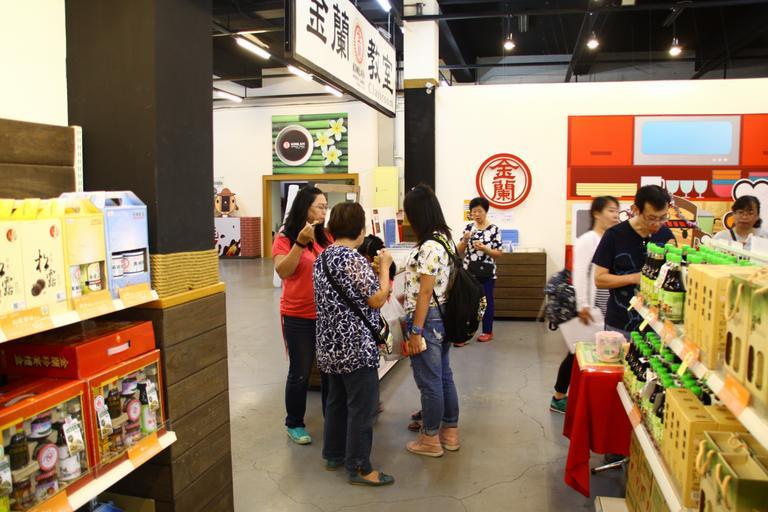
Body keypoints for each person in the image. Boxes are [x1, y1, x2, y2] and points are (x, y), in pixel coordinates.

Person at [313, 202, 395, 486]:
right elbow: (376, 299)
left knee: (336, 402)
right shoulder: (353, 259)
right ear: (360, 229)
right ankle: (360, 468)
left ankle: (333, 453)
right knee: (363, 407)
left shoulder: (322, 258)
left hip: (329, 346)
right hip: (356, 347)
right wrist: (384, 268)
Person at [402, 184, 460, 457]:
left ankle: (430, 439)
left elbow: (425, 292)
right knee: (443, 376)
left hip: (427, 320)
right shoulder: (445, 239)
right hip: (443, 315)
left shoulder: (429, 246)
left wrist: (416, 330)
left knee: (430, 381)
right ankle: (450, 432)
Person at [272, 186, 332, 445]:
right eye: (320, 206)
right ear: (305, 208)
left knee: (329, 369)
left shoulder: (325, 236)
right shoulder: (285, 237)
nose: (324, 211)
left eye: (326, 206)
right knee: (300, 372)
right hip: (298, 315)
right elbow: (283, 271)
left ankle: (333, 418)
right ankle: (294, 423)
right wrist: (299, 243)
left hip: (327, 314)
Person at [550, 196, 619, 414]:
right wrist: (583, 305)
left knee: (584, 353)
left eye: (617, 211)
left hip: (603, 306)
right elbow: (580, 274)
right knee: (579, 353)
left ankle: (572, 397)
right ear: (596, 213)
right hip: (588, 308)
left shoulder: (609, 239)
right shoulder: (588, 240)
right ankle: (559, 397)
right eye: (610, 210)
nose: (615, 215)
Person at [593, 185, 676, 341]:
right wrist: (634, 278)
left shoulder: (666, 235)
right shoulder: (614, 236)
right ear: (635, 210)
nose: (657, 224)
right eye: (652, 218)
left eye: (663, 217)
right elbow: (599, 279)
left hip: (656, 327)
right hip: (620, 325)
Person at [456, 196, 503, 345]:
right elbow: (459, 251)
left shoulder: (494, 229)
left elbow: (499, 253)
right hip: (469, 272)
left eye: (480, 211)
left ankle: (487, 331)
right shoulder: (468, 228)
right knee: (467, 303)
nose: (476, 214)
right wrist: (465, 240)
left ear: (486, 211)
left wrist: (485, 249)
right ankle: (464, 334)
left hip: (487, 272)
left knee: (487, 302)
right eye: (474, 211)